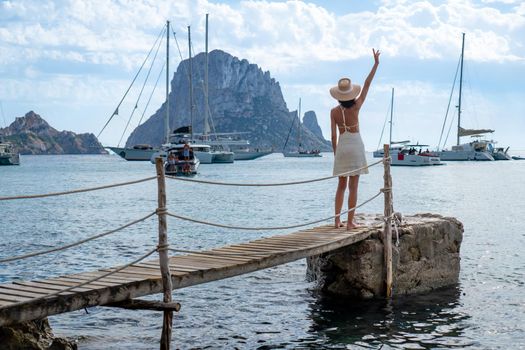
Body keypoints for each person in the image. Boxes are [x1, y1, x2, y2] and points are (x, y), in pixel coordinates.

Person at [330, 48, 380, 230]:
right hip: (356, 144)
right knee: (354, 186)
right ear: (351, 93)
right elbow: (367, 84)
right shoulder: (357, 105)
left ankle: (337, 221)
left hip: (342, 146)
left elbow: (333, 136)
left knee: (341, 186)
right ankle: (350, 222)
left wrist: (336, 154)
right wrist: (375, 64)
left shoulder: (334, 112)